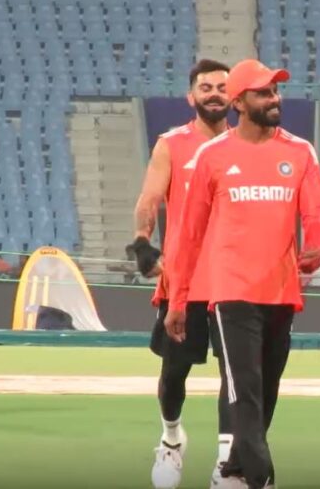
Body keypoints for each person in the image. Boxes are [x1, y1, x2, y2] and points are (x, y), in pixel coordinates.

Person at [166, 59, 320, 489]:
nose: (274, 99)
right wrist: (179, 298)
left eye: (276, 92)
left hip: (281, 289)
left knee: (267, 389)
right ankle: (261, 479)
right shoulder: (213, 156)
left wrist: (316, 246)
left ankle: (234, 471)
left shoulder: (299, 151)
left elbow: (317, 210)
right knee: (246, 387)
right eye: (263, 92)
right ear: (239, 102)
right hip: (231, 290)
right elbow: (189, 235)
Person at [127, 59, 235, 489]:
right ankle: (172, 441)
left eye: (221, 87)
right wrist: (141, 241)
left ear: (234, 96)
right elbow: (150, 197)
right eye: (205, 87)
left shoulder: (248, 148)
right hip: (184, 281)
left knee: (236, 376)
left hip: (232, 282)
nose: (214, 93)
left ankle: (229, 460)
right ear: (191, 97)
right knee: (174, 373)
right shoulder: (172, 144)